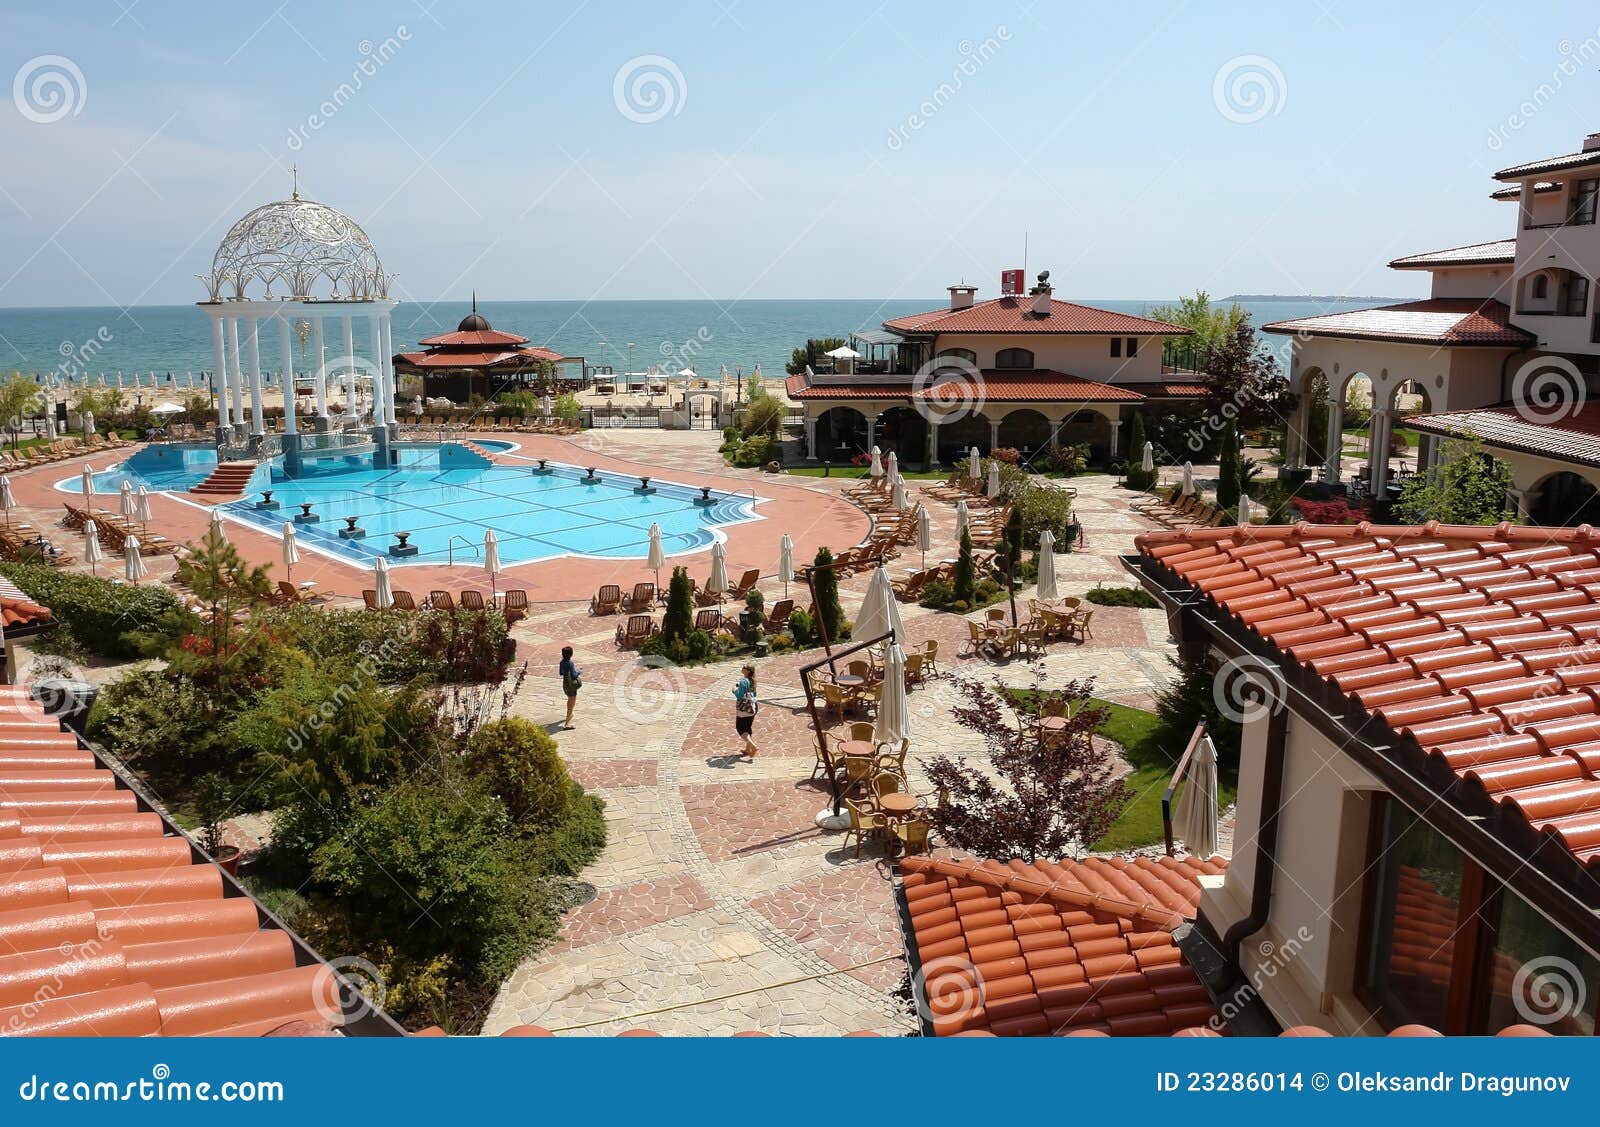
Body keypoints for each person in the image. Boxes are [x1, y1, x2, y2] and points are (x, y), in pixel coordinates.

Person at [733, 664, 759, 759]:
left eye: (744, 667)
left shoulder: (743, 681)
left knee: (740, 728)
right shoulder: (753, 681)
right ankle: (748, 750)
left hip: (744, 708)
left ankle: (753, 746)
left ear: (747, 671)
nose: (742, 667)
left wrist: (734, 690)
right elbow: (755, 695)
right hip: (753, 707)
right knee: (748, 728)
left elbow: (739, 695)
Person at [559, 646, 581, 729]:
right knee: (571, 703)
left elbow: (561, 673)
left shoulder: (562, 662)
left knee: (569, 699)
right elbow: (574, 675)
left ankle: (569, 716)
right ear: (571, 654)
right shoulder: (570, 663)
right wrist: (579, 672)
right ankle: (567, 723)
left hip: (565, 684)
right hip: (571, 685)